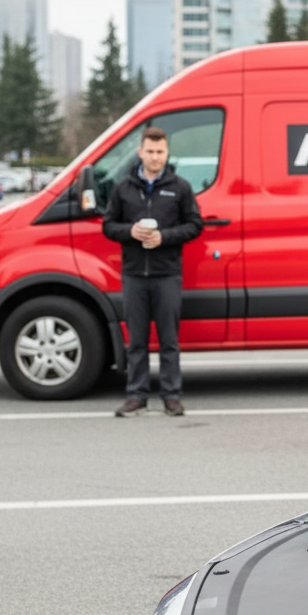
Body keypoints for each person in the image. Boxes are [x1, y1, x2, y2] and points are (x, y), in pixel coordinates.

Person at [103, 126, 203, 416]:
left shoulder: (180, 187)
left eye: (160, 152)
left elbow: (194, 225)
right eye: (150, 151)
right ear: (140, 152)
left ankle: (171, 396)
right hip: (134, 275)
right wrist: (129, 231)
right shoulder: (123, 188)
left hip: (167, 274)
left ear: (167, 153)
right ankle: (137, 396)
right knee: (136, 342)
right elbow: (108, 225)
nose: (155, 157)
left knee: (169, 341)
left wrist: (165, 237)